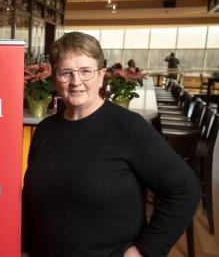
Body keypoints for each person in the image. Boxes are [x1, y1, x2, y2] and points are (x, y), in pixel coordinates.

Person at [22, 32, 200, 257]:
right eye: (66, 72)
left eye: (86, 71)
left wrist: (144, 251)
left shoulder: (128, 128)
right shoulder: (45, 130)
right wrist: (25, 248)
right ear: (55, 78)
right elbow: (31, 200)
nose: (76, 81)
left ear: (101, 76)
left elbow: (185, 189)